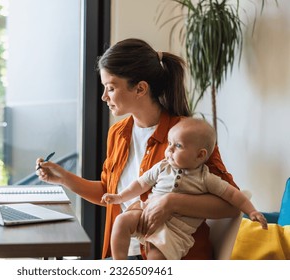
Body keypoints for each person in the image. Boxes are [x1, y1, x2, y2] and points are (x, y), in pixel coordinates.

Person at [36, 38, 241, 260]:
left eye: (111, 88)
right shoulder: (118, 133)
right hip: (125, 255)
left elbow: (231, 205)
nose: (104, 97)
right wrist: (64, 178)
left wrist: (171, 203)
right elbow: (109, 192)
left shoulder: (187, 136)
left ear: (140, 89)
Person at [101, 117, 268, 260]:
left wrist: (252, 211)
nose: (169, 150)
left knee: (156, 257)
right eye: (170, 143)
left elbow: (233, 195)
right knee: (121, 221)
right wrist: (119, 197)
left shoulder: (206, 178)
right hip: (147, 211)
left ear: (200, 155)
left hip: (175, 231)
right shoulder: (163, 166)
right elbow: (140, 183)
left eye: (178, 146)